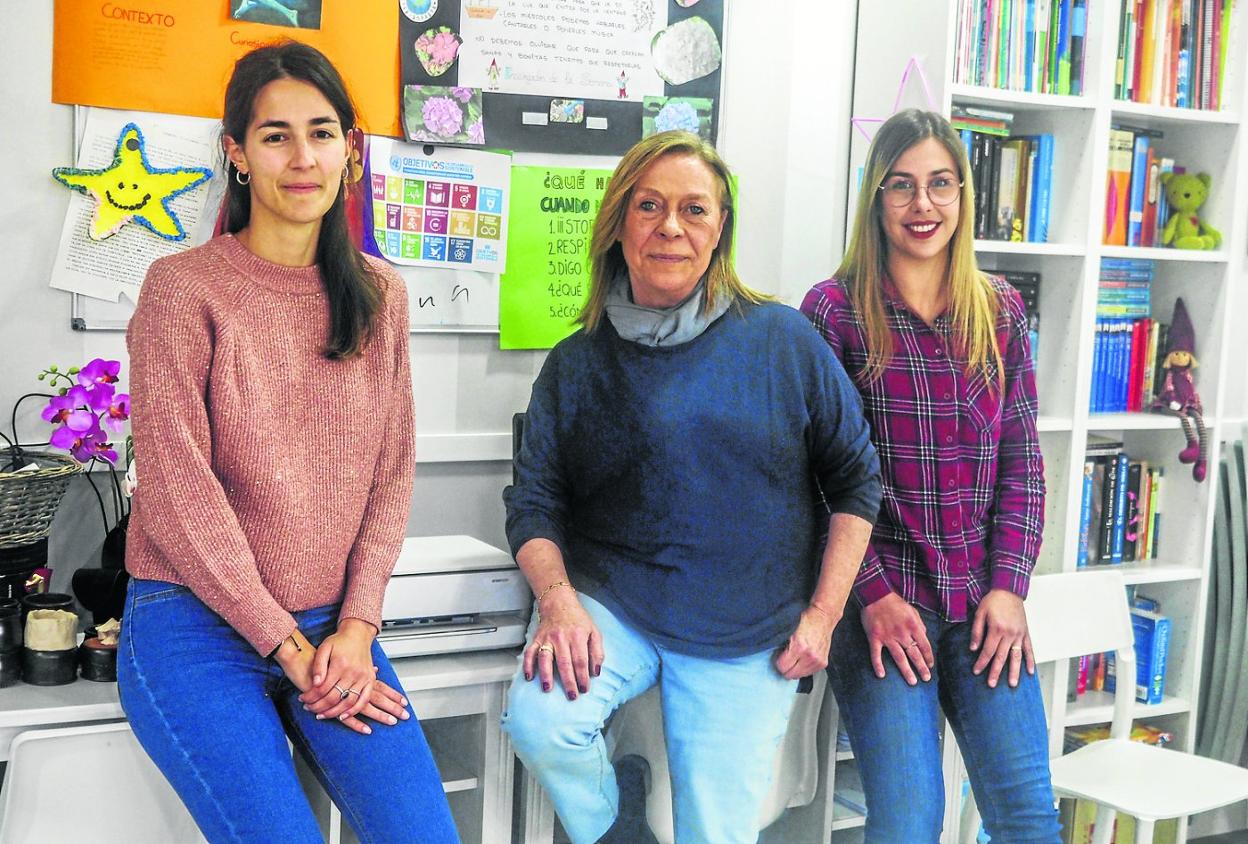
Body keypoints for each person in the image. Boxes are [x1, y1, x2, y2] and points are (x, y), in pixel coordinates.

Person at [118, 42, 459, 843]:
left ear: (352, 148)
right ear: (236, 152)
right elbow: (176, 492)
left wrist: (358, 629)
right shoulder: (183, 289)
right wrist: (284, 642)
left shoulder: (381, 295)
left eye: (322, 131)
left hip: (336, 628)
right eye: (275, 136)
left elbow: (390, 475)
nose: (302, 157)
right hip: (195, 621)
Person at [501, 130, 882, 844]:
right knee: (541, 722)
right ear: (618, 224)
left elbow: (857, 480)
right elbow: (534, 503)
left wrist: (825, 616)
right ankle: (616, 827)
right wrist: (556, 603)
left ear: (720, 230)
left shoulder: (782, 340)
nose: (670, 227)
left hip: (747, 623)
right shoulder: (576, 363)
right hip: (613, 601)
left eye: (694, 210)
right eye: (649, 206)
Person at [800, 108, 1060, 842]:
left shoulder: (1000, 309)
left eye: (941, 185)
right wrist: (873, 595)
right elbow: (816, 482)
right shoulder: (833, 312)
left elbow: (1023, 465)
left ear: (963, 195)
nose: (923, 206)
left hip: (984, 605)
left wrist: (1010, 587)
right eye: (902, 186)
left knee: (1029, 819)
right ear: (875, 198)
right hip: (885, 610)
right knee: (912, 821)